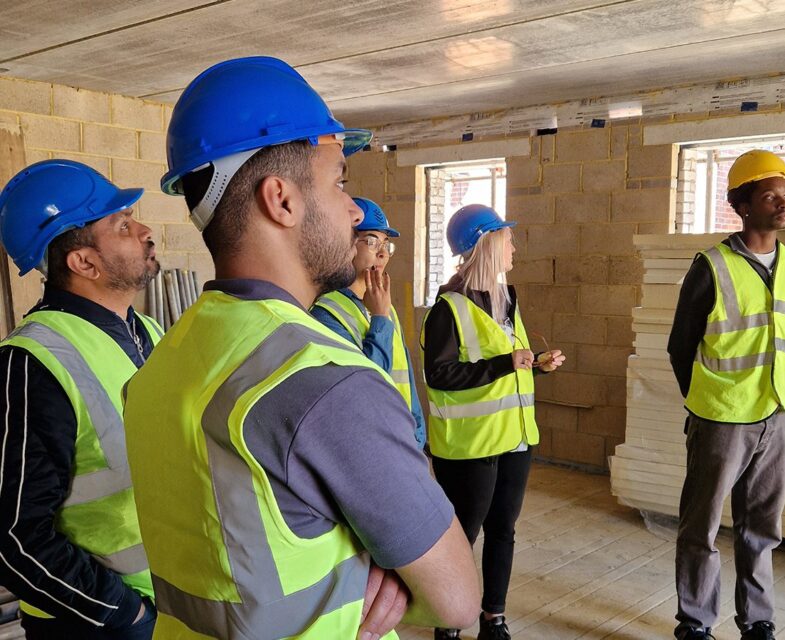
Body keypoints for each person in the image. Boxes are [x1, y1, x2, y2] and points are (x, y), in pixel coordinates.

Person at [122, 56, 480, 640]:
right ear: (281, 200)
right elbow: (458, 602)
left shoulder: (164, 360)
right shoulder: (326, 380)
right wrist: (372, 577)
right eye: (339, 181)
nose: (355, 209)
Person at [0, 160, 162, 639]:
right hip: (98, 623)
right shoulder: (31, 362)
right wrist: (122, 612)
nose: (146, 232)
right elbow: (15, 535)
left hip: (168, 601)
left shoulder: (146, 332)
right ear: (84, 263)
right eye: (123, 226)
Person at [422, 203, 565, 640]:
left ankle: (493, 619)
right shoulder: (448, 309)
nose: (514, 247)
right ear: (485, 244)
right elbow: (440, 374)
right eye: (508, 239)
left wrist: (536, 365)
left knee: (503, 530)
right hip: (470, 446)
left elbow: (504, 368)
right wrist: (507, 362)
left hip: (515, 440)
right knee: (461, 538)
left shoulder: (507, 300)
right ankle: (447, 623)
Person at [668, 149, 785, 640]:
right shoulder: (711, 266)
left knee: (762, 528)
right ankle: (696, 624)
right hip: (721, 418)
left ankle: (757, 621)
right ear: (743, 206)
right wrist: (705, 403)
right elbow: (680, 346)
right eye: (771, 196)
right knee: (703, 527)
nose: (782, 203)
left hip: (776, 413)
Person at [312, 197, 426, 447]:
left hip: (402, 439)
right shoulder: (326, 313)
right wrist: (380, 320)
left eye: (386, 244)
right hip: (371, 445)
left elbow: (406, 378)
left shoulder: (383, 306)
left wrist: (418, 436)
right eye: (372, 241)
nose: (382, 253)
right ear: (344, 243)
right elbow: (366, 389)